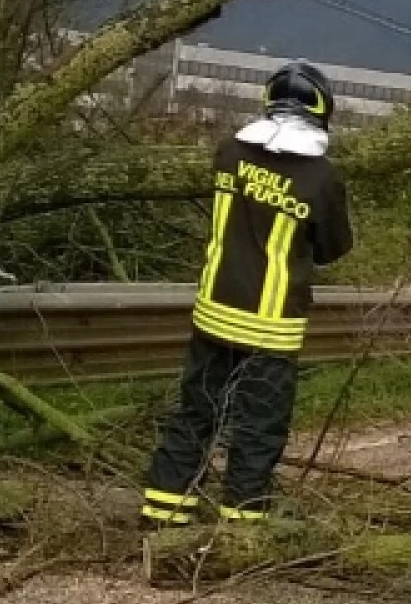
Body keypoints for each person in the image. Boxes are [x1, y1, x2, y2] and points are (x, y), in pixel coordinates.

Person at [139, 60, 355, 527]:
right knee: (257, 427)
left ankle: (161, 515)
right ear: (321, 109)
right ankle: (241, 528)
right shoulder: (321, 178)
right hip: (271, 328)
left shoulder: (229, 152)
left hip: (213, 313)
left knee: (196, 414)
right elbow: (334, 247)